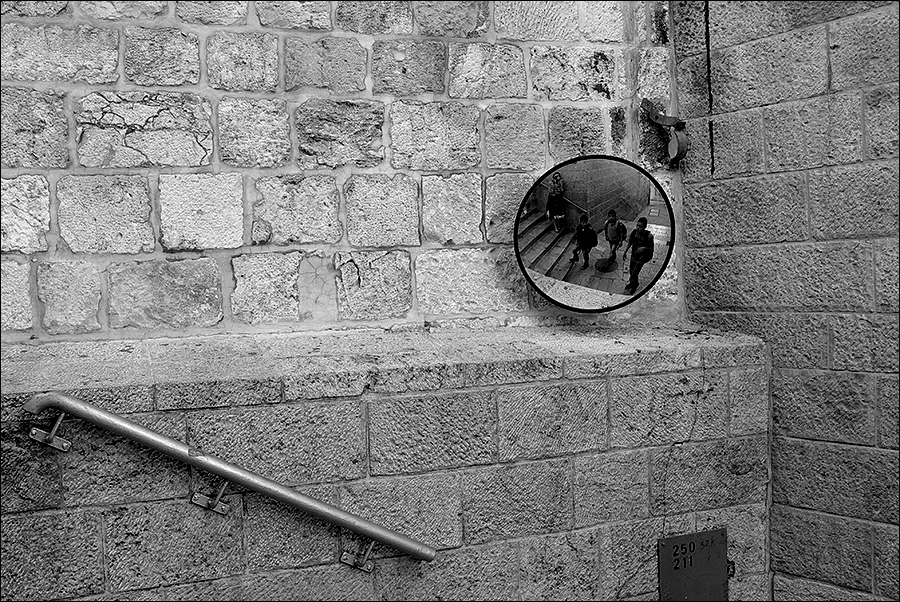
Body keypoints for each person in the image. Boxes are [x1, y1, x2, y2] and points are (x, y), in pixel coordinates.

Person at [622, 217, 654, 294]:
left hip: (641, 259)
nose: (638, 228)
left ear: (645, 227)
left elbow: (651, 249)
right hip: (633, 256)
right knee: (631, 272)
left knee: (634, 273)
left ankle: (634, 285)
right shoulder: (634, 232)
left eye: (640, 226)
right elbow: (630, 242)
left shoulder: (649, 236)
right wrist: (625, 252)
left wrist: (643, 248)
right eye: (637, 225)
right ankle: (632, 283)